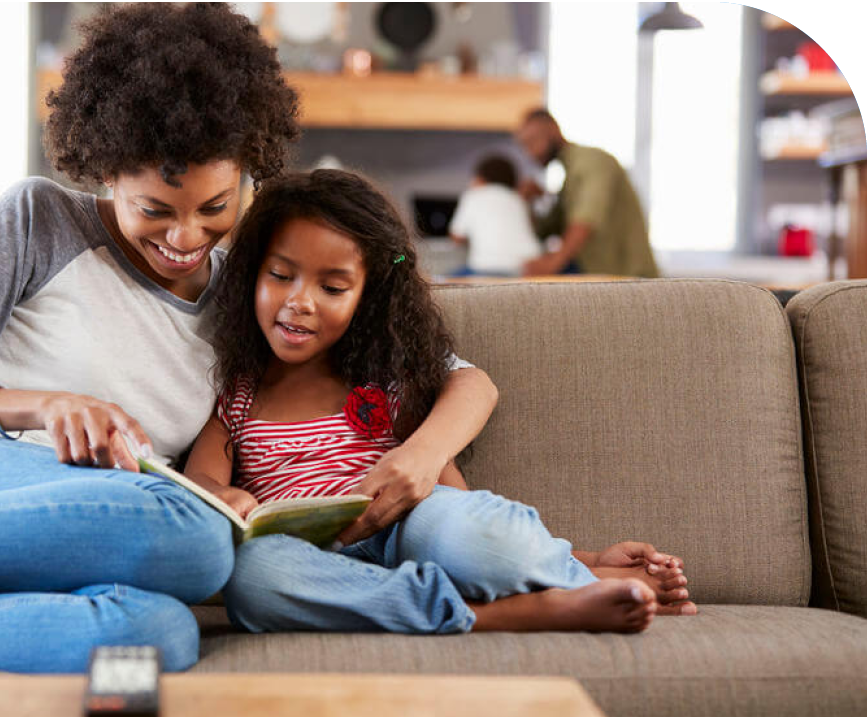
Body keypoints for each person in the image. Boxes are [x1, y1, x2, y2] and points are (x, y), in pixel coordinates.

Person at [0, 4, 498, 674]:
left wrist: (422, 455)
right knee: (198, 537)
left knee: (160, 636)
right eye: (154, 210)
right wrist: (40, 405)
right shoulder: (39, 222)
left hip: (76, 544)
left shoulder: (257, 290)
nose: (184, 239)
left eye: (214, 209)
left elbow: (460, 377)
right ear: (105, 170)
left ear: (247, 174)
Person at [182, 169, 696, 637]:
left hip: (409, 531)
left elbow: (458, 510)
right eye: (280, 276)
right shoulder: (238, 395)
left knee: (473, 534)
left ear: (367, 296)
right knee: (254, 578)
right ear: (251, 274)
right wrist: (222, 497)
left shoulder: (384, 380)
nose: (300, 300)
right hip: (313, 561)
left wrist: (583, 553)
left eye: (333, 286)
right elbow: (202, 478)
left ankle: (578, 574)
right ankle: (508, 612)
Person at [516, 108, 659, 278]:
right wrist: (528, 202)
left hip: (630, 279)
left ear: (553, 129)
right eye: (525, 146)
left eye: (532, 141)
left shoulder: (592, 161)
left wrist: (552, 263)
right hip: (600, 277)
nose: (530, 153)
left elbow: (586, 218)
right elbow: (545, 231)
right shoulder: (568, 177)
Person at [448, 154, 541, 276]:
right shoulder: (517, 198)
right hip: (528, 265)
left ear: (480, 179)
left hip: (487, 266)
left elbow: (456, 237)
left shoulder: (473, 195)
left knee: (443, 279)